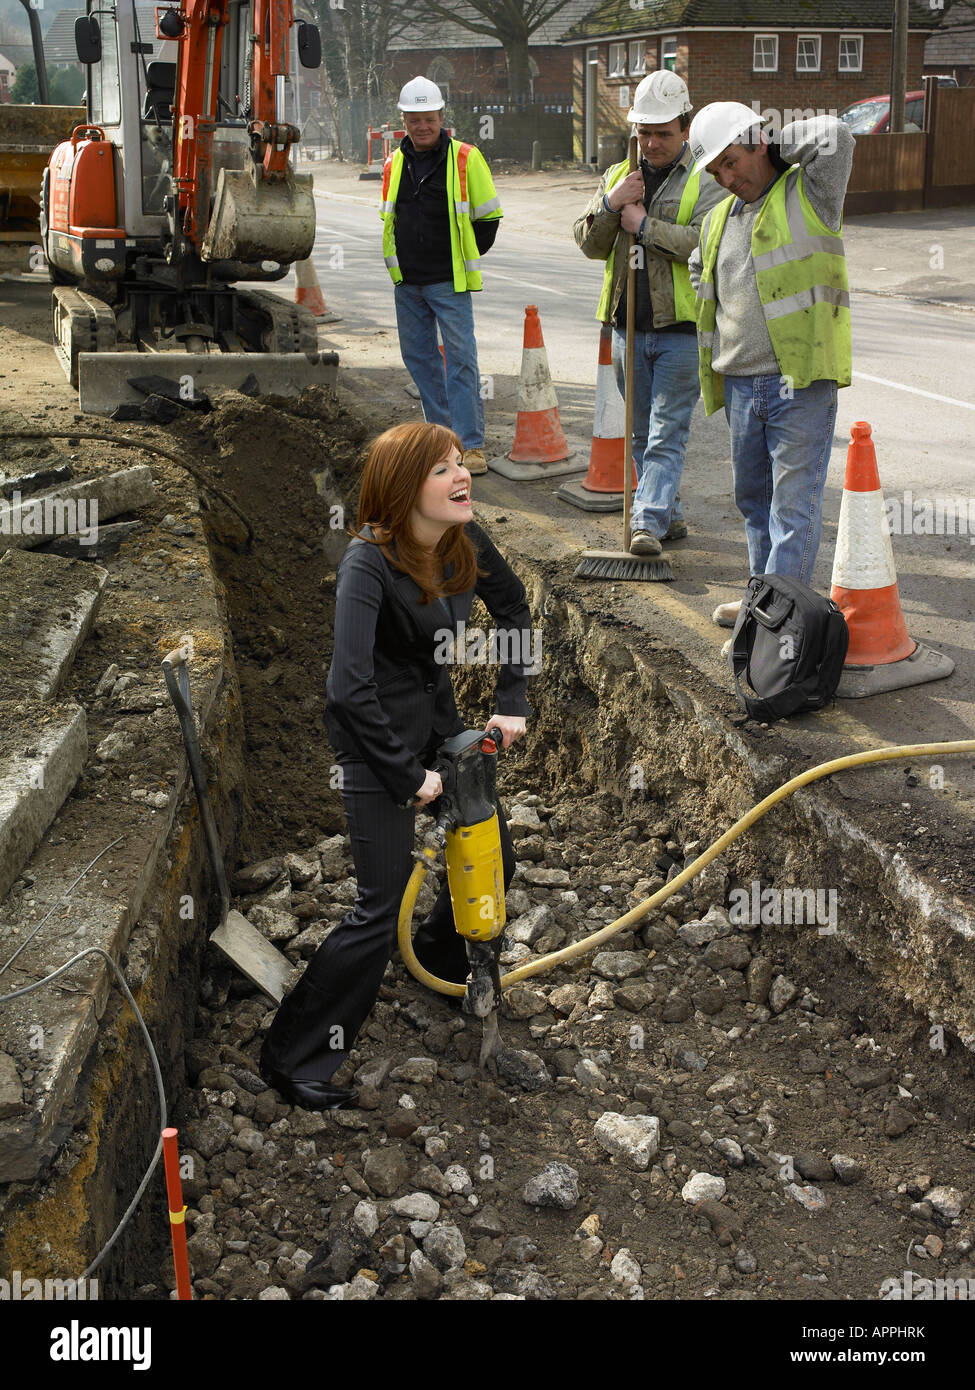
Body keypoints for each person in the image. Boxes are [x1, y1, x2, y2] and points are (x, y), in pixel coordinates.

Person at [260, 421, 531, 1111]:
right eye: (442, 470)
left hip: (438, 728)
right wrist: (406, 777)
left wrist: (511, 699)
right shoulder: (366, 564)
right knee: (378, 911)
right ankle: (297, 1062)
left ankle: (440, 965)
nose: (461, 477)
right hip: (373, 744)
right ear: (404, 488)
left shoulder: (462, 541)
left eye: (460, 464)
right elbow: (346, 690)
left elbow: (514, 607)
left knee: (492, 844)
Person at [686, 104, 855, 629]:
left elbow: (837, 136)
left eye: (732, 163)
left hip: (797, 383)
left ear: (760, 141)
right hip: (740, 383)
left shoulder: (810, 194)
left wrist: (776, 142)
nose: (727, 179)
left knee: (791, 510)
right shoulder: (717, 219)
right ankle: (763, 597)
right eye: (716, 172)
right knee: (753, 502)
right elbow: (702, 276)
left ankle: (780, 627)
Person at [573, 70, 725, 557]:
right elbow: (588, 244)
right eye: (645, 132)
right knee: (641, 430)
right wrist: (611, 206)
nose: (653, 142)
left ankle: (646, 523)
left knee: (666, 430)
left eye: (663, 133)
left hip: (680, 330)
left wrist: (646, 225)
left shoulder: (707, 178)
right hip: (626, 328)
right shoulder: (619, 176)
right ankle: (668, 513)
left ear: (685, 127)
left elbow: (709, 243)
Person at [380, 76, 502, 476]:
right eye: (414, 120)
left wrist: (465, 254)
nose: (422, 126)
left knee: (461, 362)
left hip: (448, 282)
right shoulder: (393, 162)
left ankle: (470, 444)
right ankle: (441, 441)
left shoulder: (467, 158)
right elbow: (390, 217)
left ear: (441, 117)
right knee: (420, 361)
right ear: (404, 120)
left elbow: (488, 217)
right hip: (408, 283)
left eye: (428, 119)